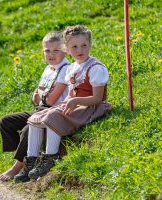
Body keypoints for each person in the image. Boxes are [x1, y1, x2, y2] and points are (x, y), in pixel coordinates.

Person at [14, 25, 112, 182]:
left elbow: (98, 98)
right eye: (74, 46)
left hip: (90, 106)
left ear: (90, 45)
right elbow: (71, 95)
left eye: (84, 45)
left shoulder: (95, 67)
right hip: (75, 104)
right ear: (66, 48)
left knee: (53, 115)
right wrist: (68, 102)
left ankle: (51, 156)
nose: (79, 50)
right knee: (36, 118)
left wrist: (75, 101)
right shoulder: (72, 68)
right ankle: (31, 161)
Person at [0, 31, 70, 181]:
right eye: (47, 51)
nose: (51, 54)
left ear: (65, 50)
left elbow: (50, 100)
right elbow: (35, 97)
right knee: (6, 121)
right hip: (40, 110)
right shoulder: (48, 69)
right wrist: (41, 94)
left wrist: (41, 93)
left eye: (56, 50)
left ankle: (18, 166)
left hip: (52, 114)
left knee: (27, 129)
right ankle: (23, 156)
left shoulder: (65, 69)